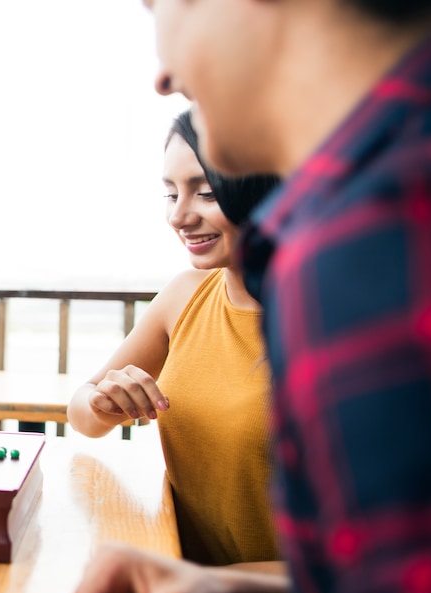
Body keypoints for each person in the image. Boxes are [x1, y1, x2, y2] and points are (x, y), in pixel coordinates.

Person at [71, 0, 431, 593]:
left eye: (163, 5)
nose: (163, 76)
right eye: (171, 193)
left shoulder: (379, 231)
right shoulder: (356, 219)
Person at [68, 110, 281, 568]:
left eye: (205, 192)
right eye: (170, 193)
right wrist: (104, 403)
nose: (178, 216)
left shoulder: (332, 326)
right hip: (189, 592)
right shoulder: (185, 295)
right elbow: (81, 412)